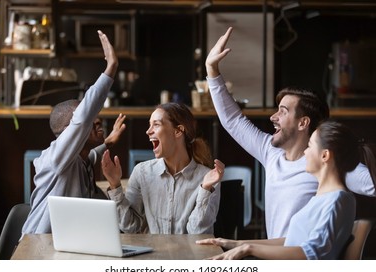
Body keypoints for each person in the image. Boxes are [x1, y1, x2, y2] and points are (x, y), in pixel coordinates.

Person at [205, 27, 375, 239]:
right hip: (274, 260)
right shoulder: (270, 152)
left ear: (303, 123)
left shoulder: (328, 163)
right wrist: (212, 70)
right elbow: (233, 121)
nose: (272, 117)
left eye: (282, 112)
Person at [197, 120, 376, 259]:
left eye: (310, 146)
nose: (305, 152)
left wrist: (248, 249)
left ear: (325, 155)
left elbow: (310, 254)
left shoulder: (336, 201)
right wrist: (235, 243)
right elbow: (292, 243)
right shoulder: (327, 198)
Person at [22, 30, 126, 235]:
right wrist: (111, 68)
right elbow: (83, 118)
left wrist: (109, 142)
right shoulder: (56, 158)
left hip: (67, 245)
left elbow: (91, 155)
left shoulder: (78, 158)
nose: (98, 122)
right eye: (90, 122)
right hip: (37, 250)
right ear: (70, 132)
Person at [101, 102, 225, 234]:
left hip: (188, 255)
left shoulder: (207, 179)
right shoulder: (141, 172)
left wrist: (205, 189)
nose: (148, 131)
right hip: (152, 254)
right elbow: (131, 227)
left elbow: (197, 233)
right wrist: (115, 185)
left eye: (156, 124)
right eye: (150, 125)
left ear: (178, 131)